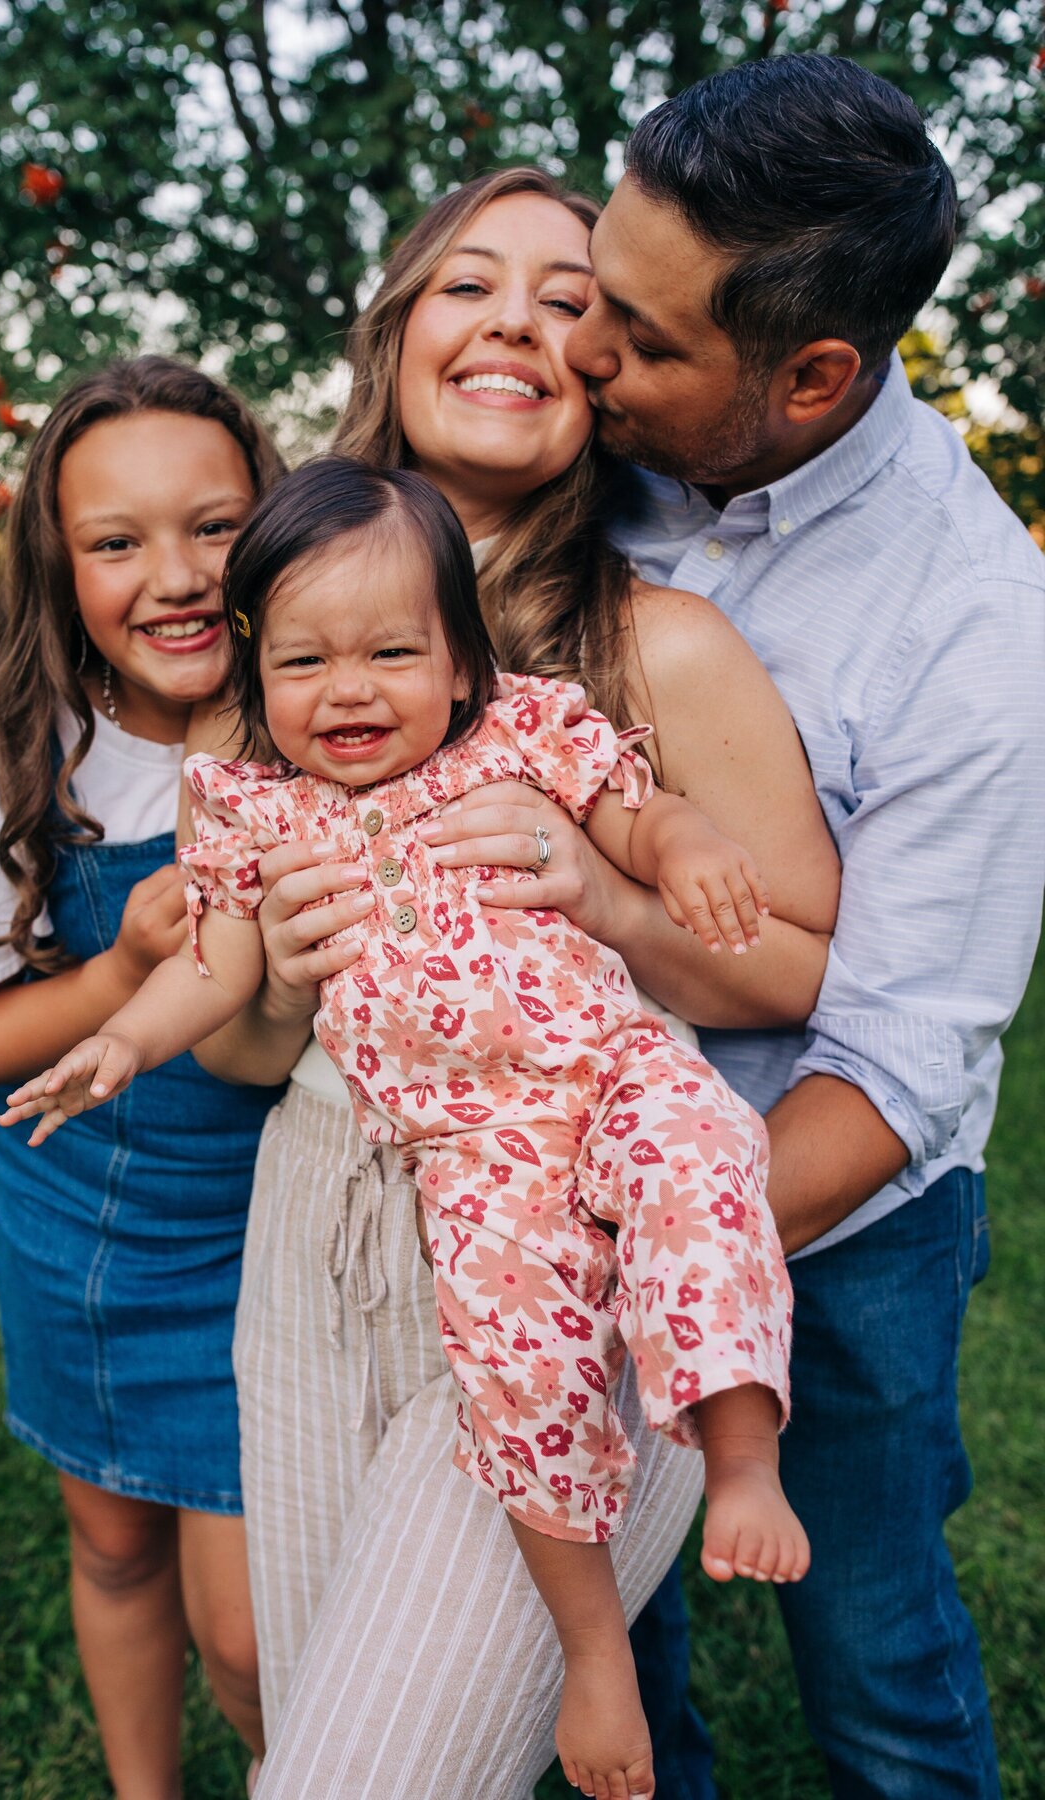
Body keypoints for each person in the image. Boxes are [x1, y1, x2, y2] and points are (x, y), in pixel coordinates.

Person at [1, 455, 811, 1800]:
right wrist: (123, 1040)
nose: (350, 690)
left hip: (610, 1072)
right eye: (304, 661)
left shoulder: (521, 736)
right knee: (516, 1366)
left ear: (461, 664)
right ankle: (593, 1653)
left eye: (392, 653)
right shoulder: (257, 809)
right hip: (472, 1154)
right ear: (256, 669)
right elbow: (213, 966)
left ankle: (743, 1457)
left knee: (705, 1156)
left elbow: (641, 810)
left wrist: (688, 854)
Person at [185, 169, 839, 1798]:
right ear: (397, 329)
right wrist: (274, 980)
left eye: (570, 302)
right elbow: (244, 1051)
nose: (517, 325)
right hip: (313, 1228)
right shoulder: (277, 669)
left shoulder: (657, 645)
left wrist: (604, 891)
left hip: (557, 1220)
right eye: (471, 283)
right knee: (302, 1708)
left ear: (604, 374)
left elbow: (797, 971)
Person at [552, 51, 1045, 1800]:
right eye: (594, 293)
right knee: (607, 1645)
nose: (583, 354)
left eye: (643, 339)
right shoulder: (588, 452)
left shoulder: (973, 623)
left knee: (876, 1649)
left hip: (837, 1228)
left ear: (814, 375)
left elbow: (901, 1054)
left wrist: (627, 1256)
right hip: (561, 1161)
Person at [0, 357, 286, 1799]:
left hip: (276, 1235)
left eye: (215, 526)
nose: (177, 576)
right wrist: (112, 980)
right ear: (57, 565)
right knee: (113, 1547)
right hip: (93, 1240)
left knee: (252, 1634)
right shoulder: (12, 769)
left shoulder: (319, 722)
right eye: (116, 541)